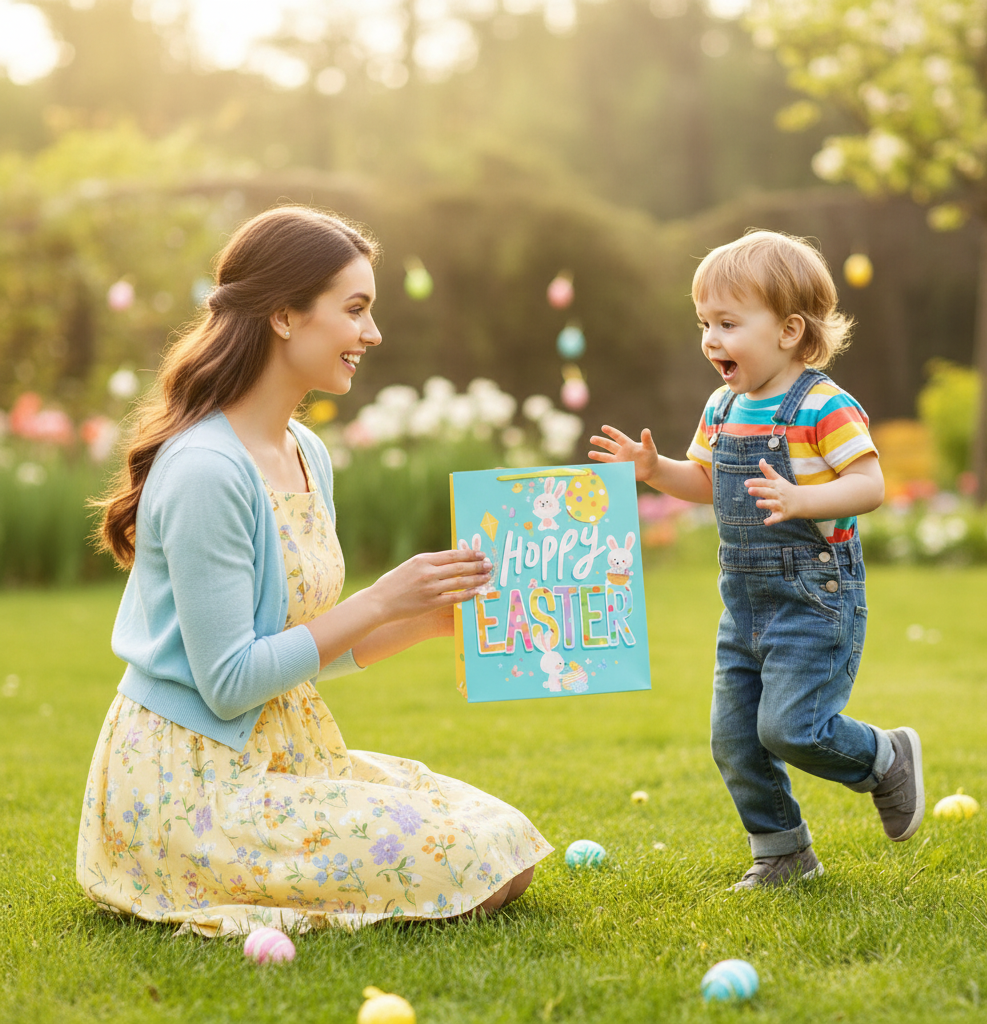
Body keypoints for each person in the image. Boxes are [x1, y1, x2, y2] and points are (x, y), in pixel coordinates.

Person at [78, 205, 551, 936]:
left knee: (502, 839)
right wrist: (382, 597)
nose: (373, 333)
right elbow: (230, 683)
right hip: (190, 788)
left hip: (282, 753)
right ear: (285, 316)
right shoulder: (207, 470)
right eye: (355, 309)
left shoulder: (305, 450)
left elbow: (300, 649)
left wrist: (427, 617)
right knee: (470, 862)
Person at [589, 230, 924, 889]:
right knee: (736, 740)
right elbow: (705, 483)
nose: (712, 339)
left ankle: (884, 757)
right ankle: (783, 852)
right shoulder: (723, 405)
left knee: (792, 728)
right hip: (743, 605)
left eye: (728, 323)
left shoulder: (824, 406)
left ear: (790, 330)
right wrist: (654, 470)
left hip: (813, 599)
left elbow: (870, 486)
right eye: (704, 324)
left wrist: (804, 498)